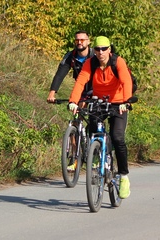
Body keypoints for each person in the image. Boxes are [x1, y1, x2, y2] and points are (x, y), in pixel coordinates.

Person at [68, 36, 133, 199]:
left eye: (104, 49)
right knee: (93, 129)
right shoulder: (90, 63)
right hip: (98, 102)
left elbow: (126, 82)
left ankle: (124, 176)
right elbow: (81, 82)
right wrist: (73, 101)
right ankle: (96, 156)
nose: (101, 52)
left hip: (119, 103)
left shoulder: (118, 62)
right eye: (97, 49)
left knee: (117, 138)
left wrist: (126, 101)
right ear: (94, 50)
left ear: (109, 49)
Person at [47, 30, 94, 103]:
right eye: (77, 40)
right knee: (78, 110)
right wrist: (51, 94)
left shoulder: (95, 56)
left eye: (82, 40)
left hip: (96, 89)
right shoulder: (70, 56)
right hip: (80, 89)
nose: (79, 42)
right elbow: (60, 75)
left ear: (88, 41)